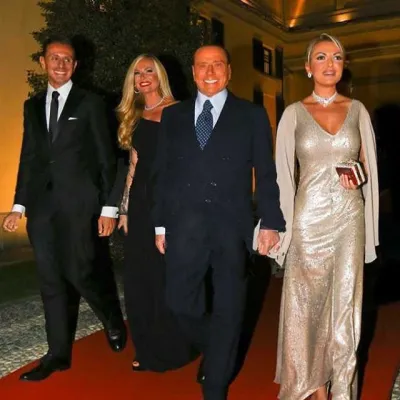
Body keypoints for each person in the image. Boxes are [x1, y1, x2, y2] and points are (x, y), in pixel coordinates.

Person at [152, 45, 285, 400]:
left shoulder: (251, 115)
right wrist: (160, 224)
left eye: (217, 65)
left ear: (228, 70)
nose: (210, 72)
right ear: (193, 71)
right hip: (185, 227)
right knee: (178, 301)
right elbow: (163, 173)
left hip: (232, 228)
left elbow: (266, 173)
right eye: (203, 66)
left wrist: (270, 222)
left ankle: (215, 387)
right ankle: (217, 346)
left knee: (229, 306)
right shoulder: (174, 116)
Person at [2, 36, 126, 381]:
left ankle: (111, 316)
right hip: (42, 207)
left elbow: (106, 158)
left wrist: (109, 208)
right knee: (50, 279)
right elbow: (29, 157)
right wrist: (18, 205)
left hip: (80, 204)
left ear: (75, 65)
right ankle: (57, 354)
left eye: (67, 59)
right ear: (43, 62)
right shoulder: (32, 105)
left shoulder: (91, 103)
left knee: (81, 270)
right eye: (54, 58)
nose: (60, 64)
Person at [273, 33, 379, 400]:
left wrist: (358, 176)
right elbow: (283, 175)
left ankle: (342, 392)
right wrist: (280, 229)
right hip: (308, 221)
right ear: (307, 67)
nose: (329, 63)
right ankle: (316, 390)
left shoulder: (358, 110)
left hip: (349, 218)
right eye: (321, 57)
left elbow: (369, 166)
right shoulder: (293, 113)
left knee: (346, 308)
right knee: (308, 308)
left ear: (343, 65)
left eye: (336, 57)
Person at [116, 54, 197, 372]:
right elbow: (133, 166)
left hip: (173, 202)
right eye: (137, 73)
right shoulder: (134, 116)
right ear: (133, 82)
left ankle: (176, 345)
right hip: (140, 204)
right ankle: (146, 346)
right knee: (139, 278)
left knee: (168, 275)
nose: (143, 76)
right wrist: (124, 209)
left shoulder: (182, 110)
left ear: (160, 75)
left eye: (149, 70)